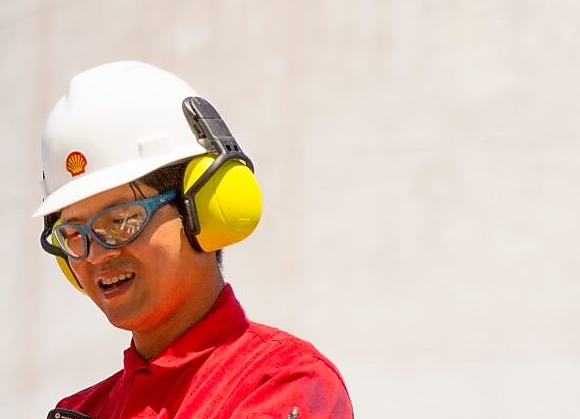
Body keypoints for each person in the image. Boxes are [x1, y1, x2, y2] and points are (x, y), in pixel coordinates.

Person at [36, 61, 352, 419]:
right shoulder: (81, 410)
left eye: (122, 220)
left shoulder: (284, 381)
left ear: (198, 207)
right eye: (74, 234)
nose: (95, 255)